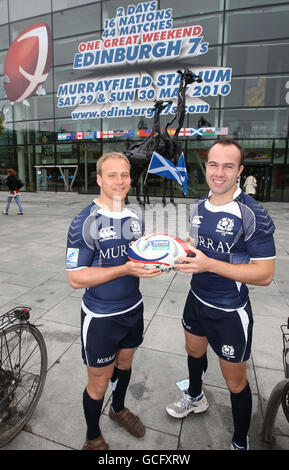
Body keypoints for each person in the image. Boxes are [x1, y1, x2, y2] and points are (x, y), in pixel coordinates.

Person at [166, 137, 275, 450]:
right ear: (207, 165)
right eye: (213, 164)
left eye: (228, 166)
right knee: (194, 352)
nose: (219, 172)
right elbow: (197, 247)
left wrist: (208, 263)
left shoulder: (253, 214)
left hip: (229, 311)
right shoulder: (198, 207)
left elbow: (264, 275)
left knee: (235, 382)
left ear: (239, 170)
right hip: (195, 299)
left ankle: (240, 442)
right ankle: (195, 396)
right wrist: (174, 253)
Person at [66, 152, 162, 450]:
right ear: (98, 179)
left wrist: (165, 256)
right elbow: (76, 278)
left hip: (133, 309)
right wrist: (123, 269)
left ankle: (118, 408)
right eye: (112, 175)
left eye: (124, 175)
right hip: (101, 318)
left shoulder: (135, 217)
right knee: (98, 381)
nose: (120, 181)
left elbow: (139, 256)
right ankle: (92, 437)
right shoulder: (84, 222)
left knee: (126, 361)